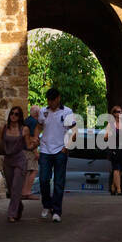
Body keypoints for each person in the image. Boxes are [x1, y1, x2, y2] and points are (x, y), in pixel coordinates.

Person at [37, 87, 77, 222]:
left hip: (60, 150)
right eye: (49, 100)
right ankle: (47, 205)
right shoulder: (43, 111)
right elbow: (39, 126)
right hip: (45, 150)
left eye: (53, 100)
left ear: (58, 99)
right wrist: (35, 139)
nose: (51, 103)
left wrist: (66, 147)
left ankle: (57, 211)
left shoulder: (67, 112)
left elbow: (74, 130)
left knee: (59, 182)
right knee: (43, 179)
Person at [0, 105, 33, 222]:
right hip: (8, 161)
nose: (13, 116)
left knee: (16, 187)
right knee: (11, 189)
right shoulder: (4, 128)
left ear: (20, 117)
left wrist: (36, 144)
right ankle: (18, 206)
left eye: (16, 114)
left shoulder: (24, 129)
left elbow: (28, 145)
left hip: (20, 160)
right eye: (12, 113)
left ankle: (11, 214)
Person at [104, 105, 122, 195]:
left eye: (121, 112)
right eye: (118, 112)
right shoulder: (110, 124)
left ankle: (113, 187)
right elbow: (105, 137)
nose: (120, 113)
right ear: (114, 114)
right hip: (113, 148)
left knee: (120, 169)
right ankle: (119, 190)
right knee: (116, 168)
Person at [23, 104, 41, 199]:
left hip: (24, 150)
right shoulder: (34, 122)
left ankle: (24, 192)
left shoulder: (27, 120)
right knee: (33, 170)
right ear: (37, 113)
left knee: (27, 171)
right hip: (29, 150)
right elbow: (32, 138)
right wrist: (35, 152)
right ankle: (27, 192)